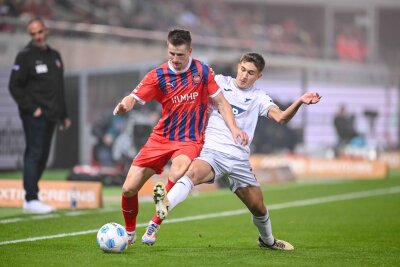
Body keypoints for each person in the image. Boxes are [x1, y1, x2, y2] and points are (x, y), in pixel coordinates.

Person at [151, 52, 321, 250]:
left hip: (239, 160)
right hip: (212, 153)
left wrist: (300, 101)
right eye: (242, 69)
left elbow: (281, 118)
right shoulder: (219, 81)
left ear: (259, 76)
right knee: (192, 173)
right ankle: (163, 207)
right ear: (238, 66)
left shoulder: (259, 97)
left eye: (250, 73)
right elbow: (191, 83)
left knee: (258, 207)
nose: (244, 75)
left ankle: (267, 241)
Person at [113, 29, 248, 245]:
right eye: (172, 54)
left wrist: (234, 129)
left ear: (190, 51)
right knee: (129, 188)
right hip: (161, 137)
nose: (175, 59)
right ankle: (129, 233)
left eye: (180, 55)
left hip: (190, 139)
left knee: (178, 171)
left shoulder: (202, 72)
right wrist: (125, 104)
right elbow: (134, 97)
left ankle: (156, 218)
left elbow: (222, 102)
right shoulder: (157, 75)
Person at [8, 17, 71, 214]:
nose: (37, 36)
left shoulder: (55, 56)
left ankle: (32, 197)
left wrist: (64, 114)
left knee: (43, 157)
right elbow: (14, 85)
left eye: (39, 32)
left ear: (46, 30)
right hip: (34, 116)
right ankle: (31, 198)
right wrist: (31, 108)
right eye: (33, 33)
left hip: (52, 116)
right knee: (34, 154)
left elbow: (59, 88)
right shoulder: (25, 56)